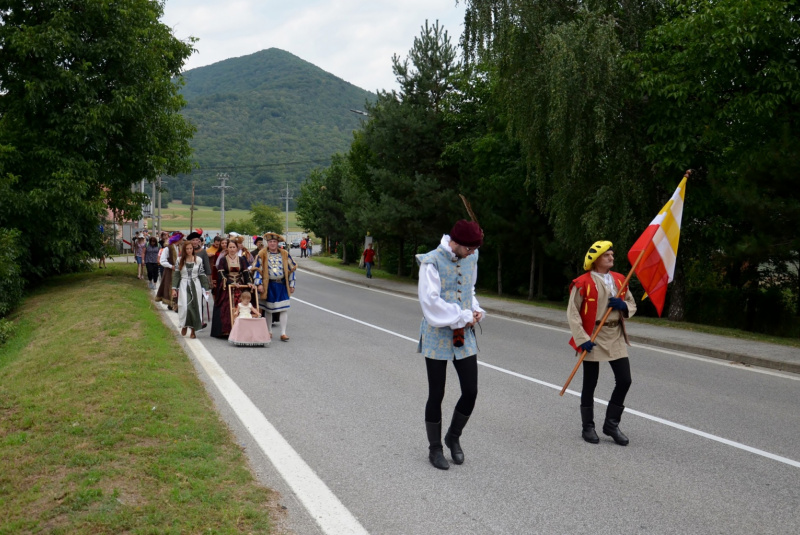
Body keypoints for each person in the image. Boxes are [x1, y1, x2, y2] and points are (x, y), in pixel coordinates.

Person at [416, 220, 485, 470]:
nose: (473, 253)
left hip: (463, 334)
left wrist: (475, 309)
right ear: (455, 243)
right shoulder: (431, 262)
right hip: (438, 332)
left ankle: (453, 436)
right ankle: (435, 449)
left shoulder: (470, 258)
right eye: (470, 249)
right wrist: (464, 315)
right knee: (437, 393)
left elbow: (470, 289)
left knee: (471, 391)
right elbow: (431, 304)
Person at [567, 241, 637, 446]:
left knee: (625, 380)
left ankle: (611, 424)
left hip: (615, 334)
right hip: (593, 335)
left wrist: (623, 305)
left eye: (612, 255)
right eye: (607, 255)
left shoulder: (620, 280)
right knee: (590, 383)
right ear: (596, 259)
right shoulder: (582, 282)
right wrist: (583, 339)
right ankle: (587, 426)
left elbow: (632, 303)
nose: (611, 258)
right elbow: (572, 313)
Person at [253, 232, 297, 342]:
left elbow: (291, 269)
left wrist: (292, 284)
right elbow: (257, 269)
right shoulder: (262, 254)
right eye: (270, 242)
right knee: (268, 309)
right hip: (269, 285)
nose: (272, 244)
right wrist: (259, 284)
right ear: (267, 243)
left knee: (284, 308)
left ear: (277, 243)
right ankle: (269, 331)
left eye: (274, 242)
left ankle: (283, 333)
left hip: (282, 285)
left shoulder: (285, 254)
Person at [211, 240, 254, 339]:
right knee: (226, 306)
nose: (232, 249)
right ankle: (227, 330)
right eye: (230, 247)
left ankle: (242, 330)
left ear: (237, 248)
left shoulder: (242, 259)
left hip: (240, 285)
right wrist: (230, 282)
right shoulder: (223, 260)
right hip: (227, 285)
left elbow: (246, 272)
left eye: (233, 247)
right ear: (227, 248)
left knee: (243, 305)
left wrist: (249, 282)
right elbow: (221, 273)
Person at [172, 240, 210, 339]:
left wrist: (206, 287)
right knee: (185, 307)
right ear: (184, 250)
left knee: (195, 307)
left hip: (195, 284)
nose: (189, 250)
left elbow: (202, 274)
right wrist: (174, 288)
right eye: (187, 249)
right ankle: (184, 324)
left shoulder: (198, 260)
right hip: (184, 285)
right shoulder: (179, 260)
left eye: (190, 248)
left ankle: (193, 330)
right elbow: (176, 275)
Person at [187, 231, 212, 329]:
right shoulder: (186, 251)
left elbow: (207, 267)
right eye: (193, 240)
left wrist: (208, 281)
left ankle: (199, 321)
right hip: (188, 279)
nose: (195, 242)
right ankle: (189, 320)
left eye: (197, 240)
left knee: (198, 301)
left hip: (199, 279)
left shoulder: (202, 252)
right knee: (189, 301)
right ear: (190, 241)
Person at [156, 232, 183, 311]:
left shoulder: (180, 247)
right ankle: (171, 304)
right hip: (170, 271)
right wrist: (171, 266)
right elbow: (162, 260)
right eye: (181, 239)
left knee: (178, 286)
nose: (182, 240)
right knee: (170, 286)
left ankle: (177, 304)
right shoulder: (168, 248)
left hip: (179, 271)